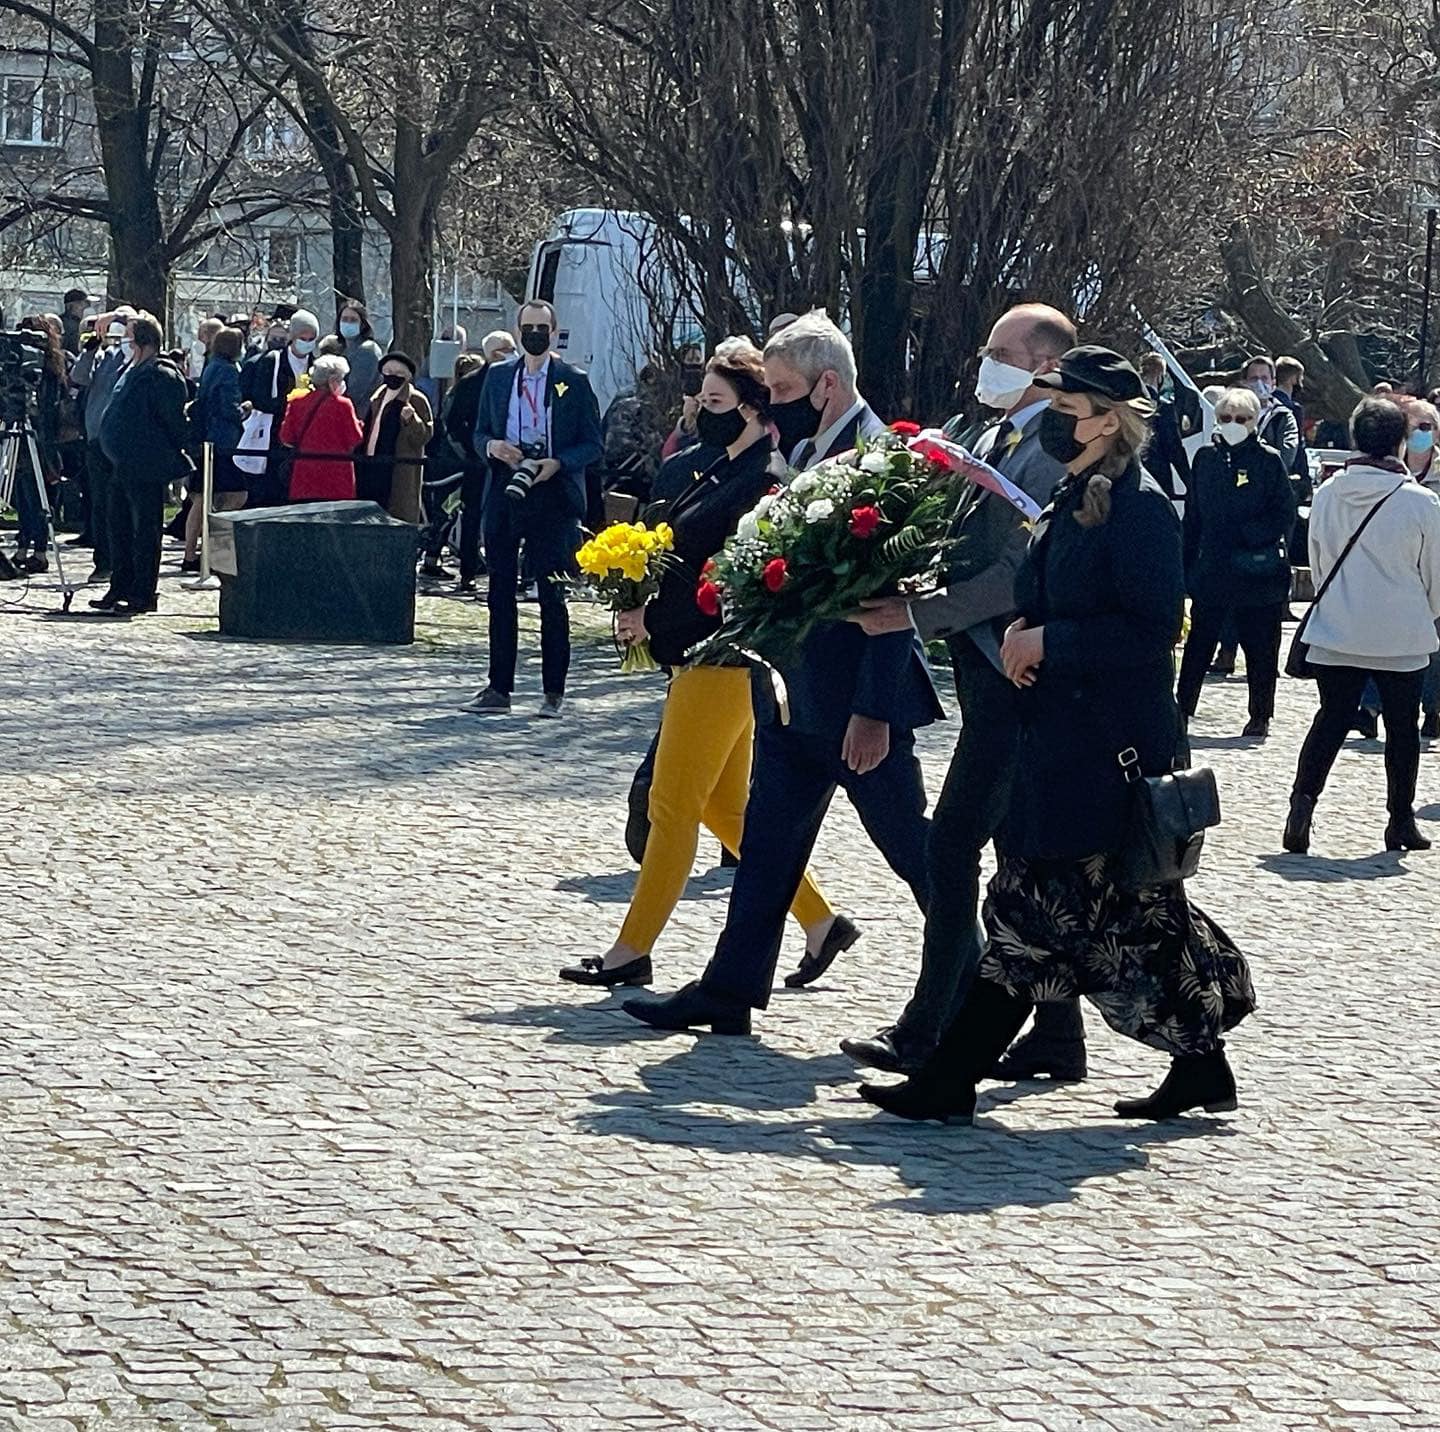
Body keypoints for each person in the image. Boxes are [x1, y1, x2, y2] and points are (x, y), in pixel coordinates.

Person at [859, 345, 1257, 1126]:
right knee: (1109, 917)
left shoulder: (1139, 510)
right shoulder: (1074, 497)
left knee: (1036, 914)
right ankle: (1200, 1066)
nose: (1054, 423)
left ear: (1109, 421)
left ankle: (947, 1080)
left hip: (1110, 752)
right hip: (1058, 740)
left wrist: (1052, 643)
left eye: (1068, 412)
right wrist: (1019, 635)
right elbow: (1040, 594)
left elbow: (1151, 633)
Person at [622, 315, 941, 1036]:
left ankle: (985, 979)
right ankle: (728, 991)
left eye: (788, 388)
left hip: (860, 706)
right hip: (794, 691)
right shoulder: (797, 449)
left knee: (914, 853)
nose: (778, 401)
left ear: (829, 385)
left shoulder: (884, 457)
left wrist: (872, 712)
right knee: (766, 847)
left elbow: (896, 602)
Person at [558, 340, 855, 988]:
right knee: (726, 810)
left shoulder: (763, 480)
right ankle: (820, 921)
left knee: (671, 804)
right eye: (701, 401)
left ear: (753, 407)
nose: (701, 412)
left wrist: (653, 617)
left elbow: (728, 583)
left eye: (717, 402)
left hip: (719, 657)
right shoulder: (719, 467)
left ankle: (630, 950)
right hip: (697, 653)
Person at [838, 302, 1076, 1077]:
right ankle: (1053, 1035)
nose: (986, 362)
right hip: (985, 669)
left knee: (949, 845)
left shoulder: (1048, 446)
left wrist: (914, 611)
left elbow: (1014, 572)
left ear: (1044, 364)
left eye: (1001, 351)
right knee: (1019, 854)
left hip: (1018, 676)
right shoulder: (990, 435)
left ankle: (930, 1030)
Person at [1283, 398, 1440, 854]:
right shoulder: (1420, 501)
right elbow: (1434, 576)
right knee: (1403, 729)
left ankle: (1302, 806)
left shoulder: (1330, 493)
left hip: (1337, 629)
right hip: (1401, 635)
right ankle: (1400, 819)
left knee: (1330, 721)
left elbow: (1317, 559)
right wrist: (1420, 611)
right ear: (1400, 442)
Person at [464, 301, 603, 720]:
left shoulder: (573, 381)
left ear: (554, 331)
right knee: (500, 592)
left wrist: (558, 462)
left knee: (551, 594)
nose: (535, 334)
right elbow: (478, 432)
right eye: (529, 327)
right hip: (507, 488)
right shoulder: (500, 375)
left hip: (553, 494)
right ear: (518, 330)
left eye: (543, 327)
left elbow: (592, 443)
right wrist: (493, 448)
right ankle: (498, 687)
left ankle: (553, 691)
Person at [1175, 386, 1296, 739]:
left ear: (1254, 421)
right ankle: (1182, 708)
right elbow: (1194, 515)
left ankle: (1260, 714)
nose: (1233, 424)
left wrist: (1250, 533)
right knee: (1200, 642)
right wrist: (1185, 565)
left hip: (1256, 571)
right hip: (1213, 567)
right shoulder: (1206, 459)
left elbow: (1283, 513)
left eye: (1240, 419)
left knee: (1260, 646)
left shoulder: (1268, 460)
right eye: (1226, 418)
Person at [91, 315, 192, 615]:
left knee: (145, 531)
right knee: (118, 526)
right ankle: (119, 585)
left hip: (145, 464)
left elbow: (172, 420)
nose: (125, 341)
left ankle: (143, 592)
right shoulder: (130, 369)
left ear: (143, 341)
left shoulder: (160, 374)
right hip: (121, 465)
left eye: (130, 336)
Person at [71, 308, 135, 583]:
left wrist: (117, 316)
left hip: (120, 443)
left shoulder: (133, 358)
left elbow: (136, 319)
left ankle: (123, 561)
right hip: (96, 442)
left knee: (120, 504)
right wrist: (90, 349)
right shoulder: (102, 357)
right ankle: (103, 561)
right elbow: (79, 377)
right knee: (99, 504)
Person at [444, 335, 512, 590]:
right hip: (478, 461)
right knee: (472, 516)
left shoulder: (516, 380)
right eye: (506, 350)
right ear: (492, 353)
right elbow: (453, 423)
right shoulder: (470, 383)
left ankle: (504, 571)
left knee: (507, 517)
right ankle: (468, 571)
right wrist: (473, 450)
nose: (511, 354)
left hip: (510, 461)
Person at [184, 325, 249, 570]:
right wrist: (244, 410)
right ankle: (215, 553)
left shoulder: (211, 366)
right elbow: (228, 407)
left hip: (206, 440)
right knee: (235, 495)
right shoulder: (229, 371)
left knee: (203, 498)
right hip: (223, 443)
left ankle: (193, 553)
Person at [242, 309, 318, 506]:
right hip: (273, 434)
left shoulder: (316, 365)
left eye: (312, 338)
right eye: (303, 337)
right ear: (292, 336)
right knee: (268, 489)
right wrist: (290, 404)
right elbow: (260, 398)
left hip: (304, 436)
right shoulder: (272, 361)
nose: (307, 342)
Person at [1401, 399, 1440, 738]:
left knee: (1434, 643)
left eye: (1425, 427)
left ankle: (1432, 709)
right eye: (1412, 427)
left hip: (1435, 567)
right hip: (1397, 567)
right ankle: (1370, 709)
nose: (1419, 434)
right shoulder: (1389, 471)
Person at [357, 352, 434, 522]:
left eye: (399, 373)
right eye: (389, 371)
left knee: (398, 514)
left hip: (398, 470)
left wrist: (411, 419)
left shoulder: (416, 399)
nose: (393, 376)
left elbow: (424, 436)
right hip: (371, 464)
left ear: (407, 376)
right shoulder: (377, 397)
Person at [281, 353, 365, 502]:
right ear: (333, 381)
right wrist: (359, 424)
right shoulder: (343, 405)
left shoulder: (297, 403)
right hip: (336, 474)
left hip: (304, 472)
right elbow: (355, 438)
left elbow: (286, 438)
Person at [1137, 351, 1190, 500]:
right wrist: (1190, 483)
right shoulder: (1163, 408)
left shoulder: (1127, 406)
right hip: (1157, 480)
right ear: (1160, 376)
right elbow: (1174, 448)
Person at [1242, 354, 1300, 471]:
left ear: (1273, 383)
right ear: (1244, 383)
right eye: (1254, 379)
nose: (1259, 383)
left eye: (1264, 378)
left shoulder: (1283, 417)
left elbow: (1286, 456)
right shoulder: (1232, 414)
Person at [333, 301, 384, 420]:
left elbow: (355, 392)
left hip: (359, 417)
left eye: (353, 320)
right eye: (344, 319)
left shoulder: (367, 350)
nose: (348, 323)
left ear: (362, 324)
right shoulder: (341, 349)